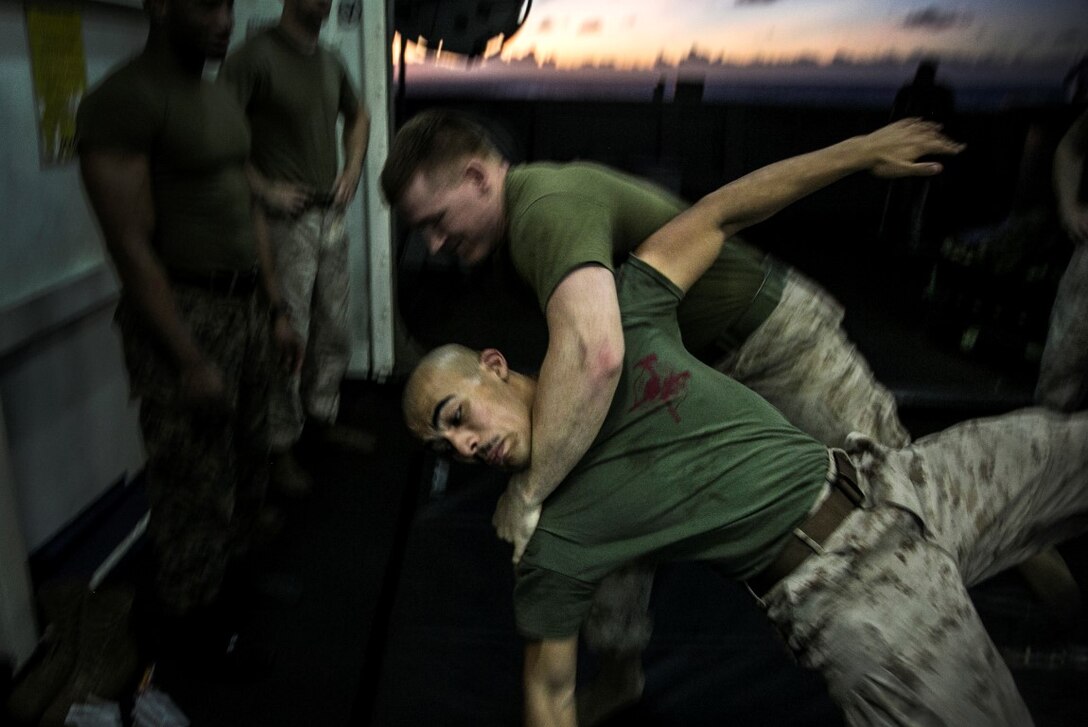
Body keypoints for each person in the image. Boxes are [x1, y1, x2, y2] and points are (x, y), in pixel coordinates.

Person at [402, 121, 1088, 726]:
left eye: (457, 417)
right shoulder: (554, 543)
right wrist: (537, 502)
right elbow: (547, 695)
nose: (466, 445)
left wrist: (857, 150)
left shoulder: (596, 284)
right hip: (852, 590)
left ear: (495, 365)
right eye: (449, 448)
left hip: (875, 459)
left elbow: (703, 232)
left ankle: (1061, 613)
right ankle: (623, 674)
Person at [76, 0, 301, 660]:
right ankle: (191, 627)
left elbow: (245, 206)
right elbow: (131, 248)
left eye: (230, 5)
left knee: (246, 463)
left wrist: (277, 307)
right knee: (193, 481)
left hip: (245, 309)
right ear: (159, 7)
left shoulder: (218, 97)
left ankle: (226, 596)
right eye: (206, 6)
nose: (226, 20)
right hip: (187, 313)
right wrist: (187, 357)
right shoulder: (123, 101)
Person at [219, 0, 373, 496]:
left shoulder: (329, 60)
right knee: (290, 335)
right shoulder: (253, 57)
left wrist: (351, 171)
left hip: (330, 214)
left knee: (334, 324)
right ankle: (280, 446)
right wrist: (261, 188)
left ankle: (322, 419)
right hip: (286, 224)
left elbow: (360, 114)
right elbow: (218, 134)